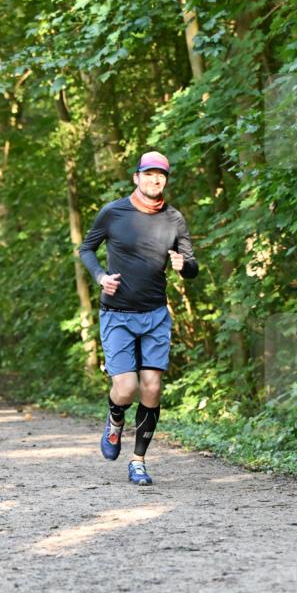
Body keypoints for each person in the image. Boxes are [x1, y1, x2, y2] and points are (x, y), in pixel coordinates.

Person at [79, 150, 199, 485]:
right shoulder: (114, 212)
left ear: (165, 180)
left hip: (155, 314)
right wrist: (101, 277)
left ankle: (138, 461)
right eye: (148, 174)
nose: (154, 179)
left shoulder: (174, 219)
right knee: (126, 387)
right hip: (117, 313)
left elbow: (191, 266)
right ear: (136, 177)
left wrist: (183, 266)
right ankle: (115, 418)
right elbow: (86, 249)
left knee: (152, 388)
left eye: (160, 175)